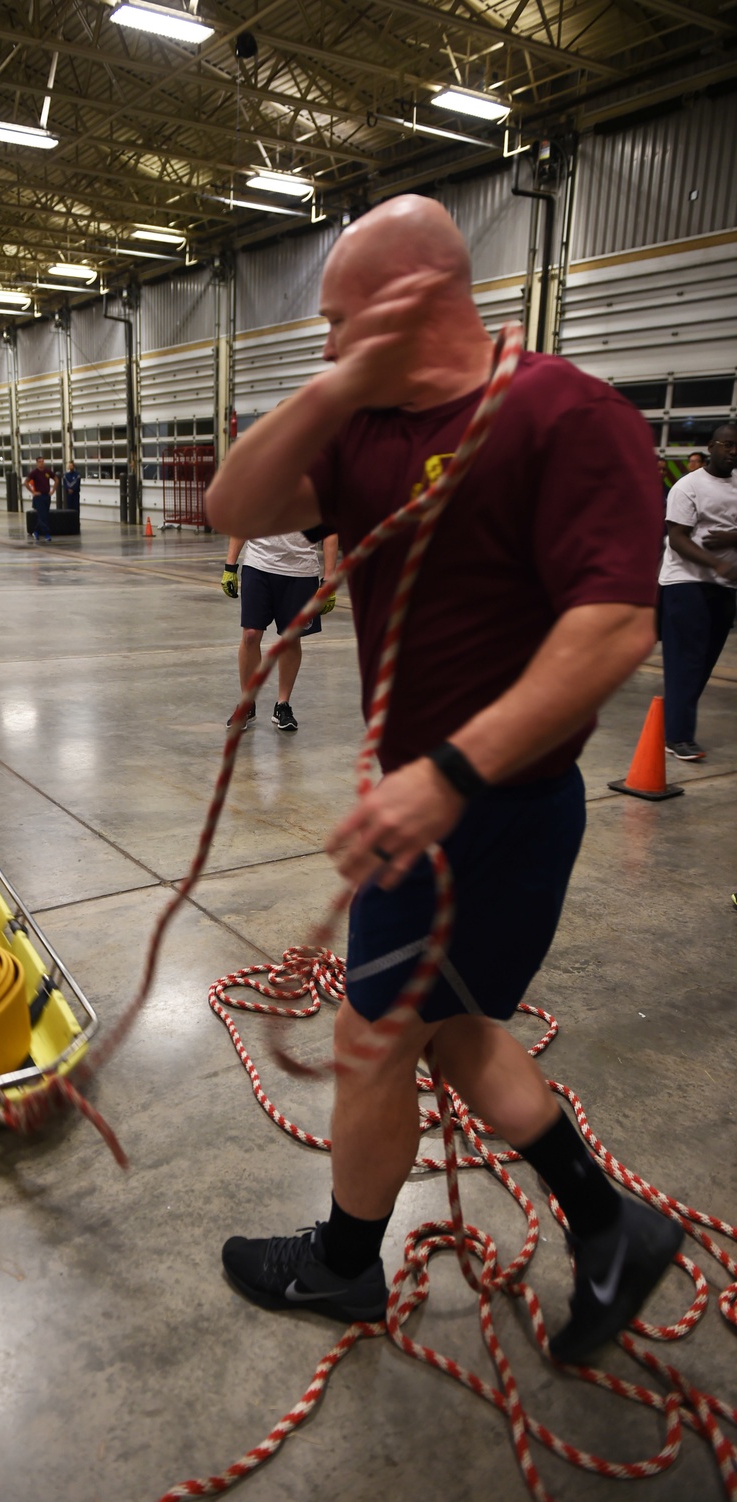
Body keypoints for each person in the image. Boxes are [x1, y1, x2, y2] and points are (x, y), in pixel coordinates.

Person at [204, 195, 682, 1367]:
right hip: (427, 809)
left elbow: (614, 626)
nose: (324, 344)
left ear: (416, 296)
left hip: (490, 811)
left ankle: (344, 1263)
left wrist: (448, 773)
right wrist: (330, 384)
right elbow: (233, 507)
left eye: (336, 321)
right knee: (448, 1028)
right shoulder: (361, 427)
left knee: (378, 1038)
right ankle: (610, 1222)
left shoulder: (565, 415)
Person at [658, 423, 737, 760]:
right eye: (727, 444)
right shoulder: (687, 486)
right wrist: (715, 563)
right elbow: (677, 538)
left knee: (704, 662)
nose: (733, 451)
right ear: (711, 446)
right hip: (685, 581)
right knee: (686, 661)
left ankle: (674, 725)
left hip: (725, 586)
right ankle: (677, 736)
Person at [222, 531, 338, 731]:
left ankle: (283, 705)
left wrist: (329, 581)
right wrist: (230, 565)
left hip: (301, 570)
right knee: (250, 635)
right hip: (258, 565)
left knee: (291, 638)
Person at [24, 456, 54, 542]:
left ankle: (36, 531)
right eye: (40, 461)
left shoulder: (47, 471)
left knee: (45, 515)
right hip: (39, 497)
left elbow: (56, 479)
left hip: (46, 496)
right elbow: (26, 482)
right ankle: (46, 534)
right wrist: (33, 492)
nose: (41, 463)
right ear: (37, 463)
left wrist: (53, 490)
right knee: (41, 516)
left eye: (42, 461)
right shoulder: (34, 473)